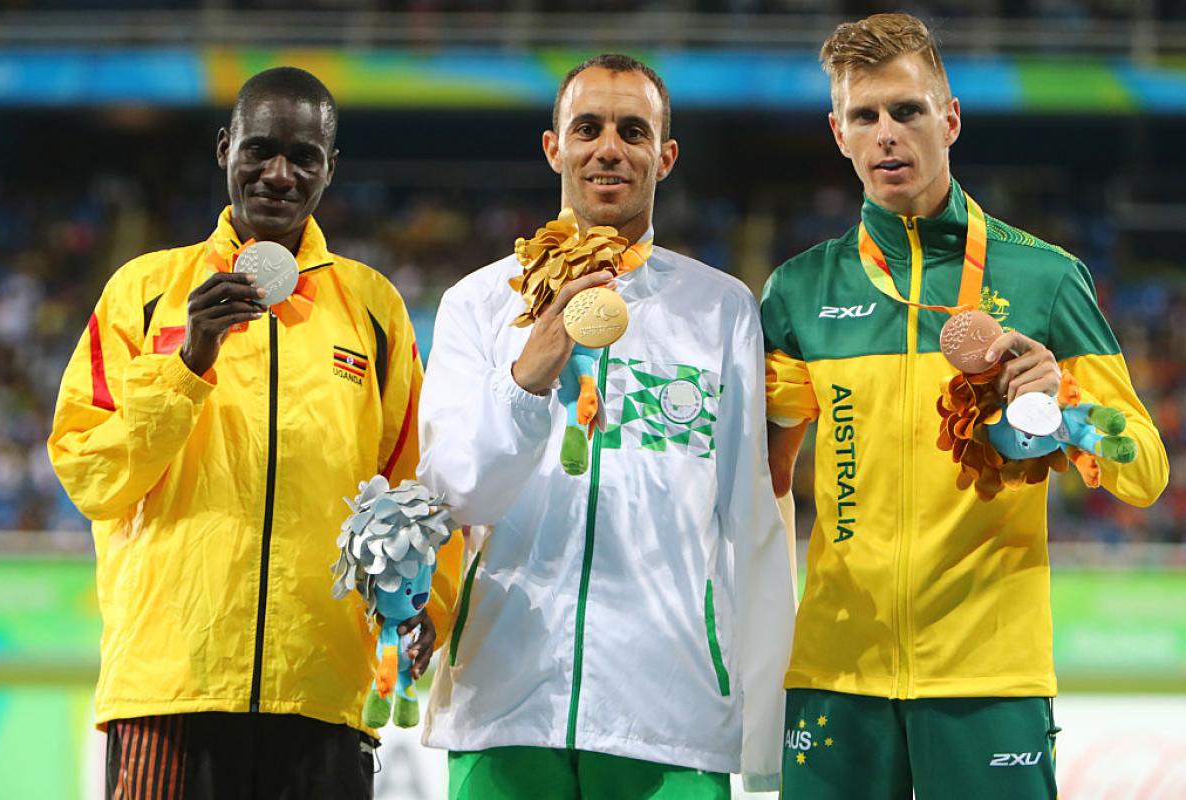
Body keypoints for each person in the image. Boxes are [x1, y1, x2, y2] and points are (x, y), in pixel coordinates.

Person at [761, 13, 1169, 799]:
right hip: (838, 672)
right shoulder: (800, 293)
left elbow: (1144, 472)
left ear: (949, 118)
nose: (887, 134)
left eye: (907, 111)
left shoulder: (1048, 280)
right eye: (864, 115)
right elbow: (761, 480)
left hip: (990, 678)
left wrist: (1066, 406)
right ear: (838, 134)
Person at [47, 67, 461, 799]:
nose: (278, 173)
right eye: (259, 149)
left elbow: (420, 486)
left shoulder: (373, 310)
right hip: (169, 686)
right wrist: (187, 364)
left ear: (331, 168)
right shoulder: (143, 293)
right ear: (222, 148)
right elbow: (90, 475)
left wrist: (427, 604)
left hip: (322, 690)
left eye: (303, 157)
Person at [417, 54, 794, 798]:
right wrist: (528, 377)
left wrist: (763, 729)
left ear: (666, 155)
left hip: (672, 713)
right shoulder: (479, 304)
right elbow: (453, 493)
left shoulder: (719, 309)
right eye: (587, 128)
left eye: (633, 130)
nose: (609, 148)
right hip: (504, 704)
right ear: (554, 147)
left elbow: (750, 523)